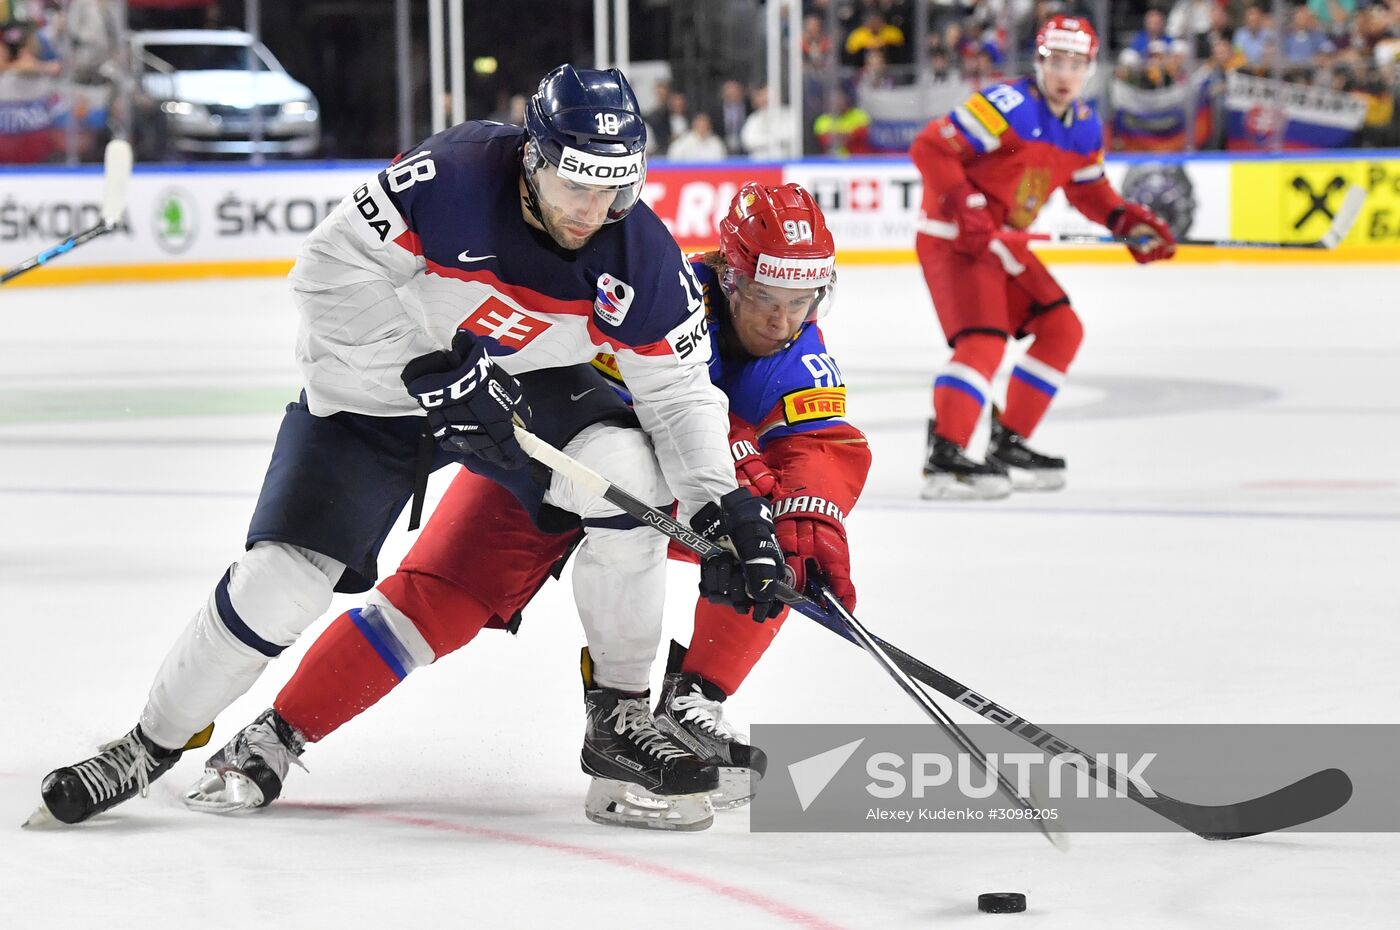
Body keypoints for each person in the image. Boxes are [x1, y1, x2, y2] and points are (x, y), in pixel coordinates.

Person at [31, 64, 783, 827]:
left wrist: (725, 503)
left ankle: (621, 719)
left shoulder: (640, 255)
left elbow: (680, 394)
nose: (593, 212)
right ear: (531, 160)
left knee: (628, 472)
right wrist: (424, 368)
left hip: (522, 391)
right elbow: (324, 278)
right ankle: (148, 743)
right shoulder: (451, 178)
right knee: (281, 583)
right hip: (373, 396)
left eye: (614, 190)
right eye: (574, 188)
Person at [184, 184, 869, 831]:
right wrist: (742, 463)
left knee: (769, 550)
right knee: (433, 604)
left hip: (656, 497)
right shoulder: (664, 293)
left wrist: (809, 516)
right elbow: (623, 405)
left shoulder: (798, 349)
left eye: (804, 298)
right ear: (729, 277)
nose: (783, 319)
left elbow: (819, 447)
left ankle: (688, 712)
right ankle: (277, 732)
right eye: (764, 296)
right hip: (555, 460)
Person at [910, 15, 1177, 500]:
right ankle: (945, 456)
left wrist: (1127, 222)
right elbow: (932, 147)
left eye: (1076, 63)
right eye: (1056, 60)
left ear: (1091, 69)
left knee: (1061, 328)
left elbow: (1089, 190)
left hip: (1003, 244)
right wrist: (968, 206)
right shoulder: (1007, 104)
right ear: (1039, 61)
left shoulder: (1083, 126)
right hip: (955, 239)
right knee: (984, 343)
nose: (1064, 73)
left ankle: (1007, 442)